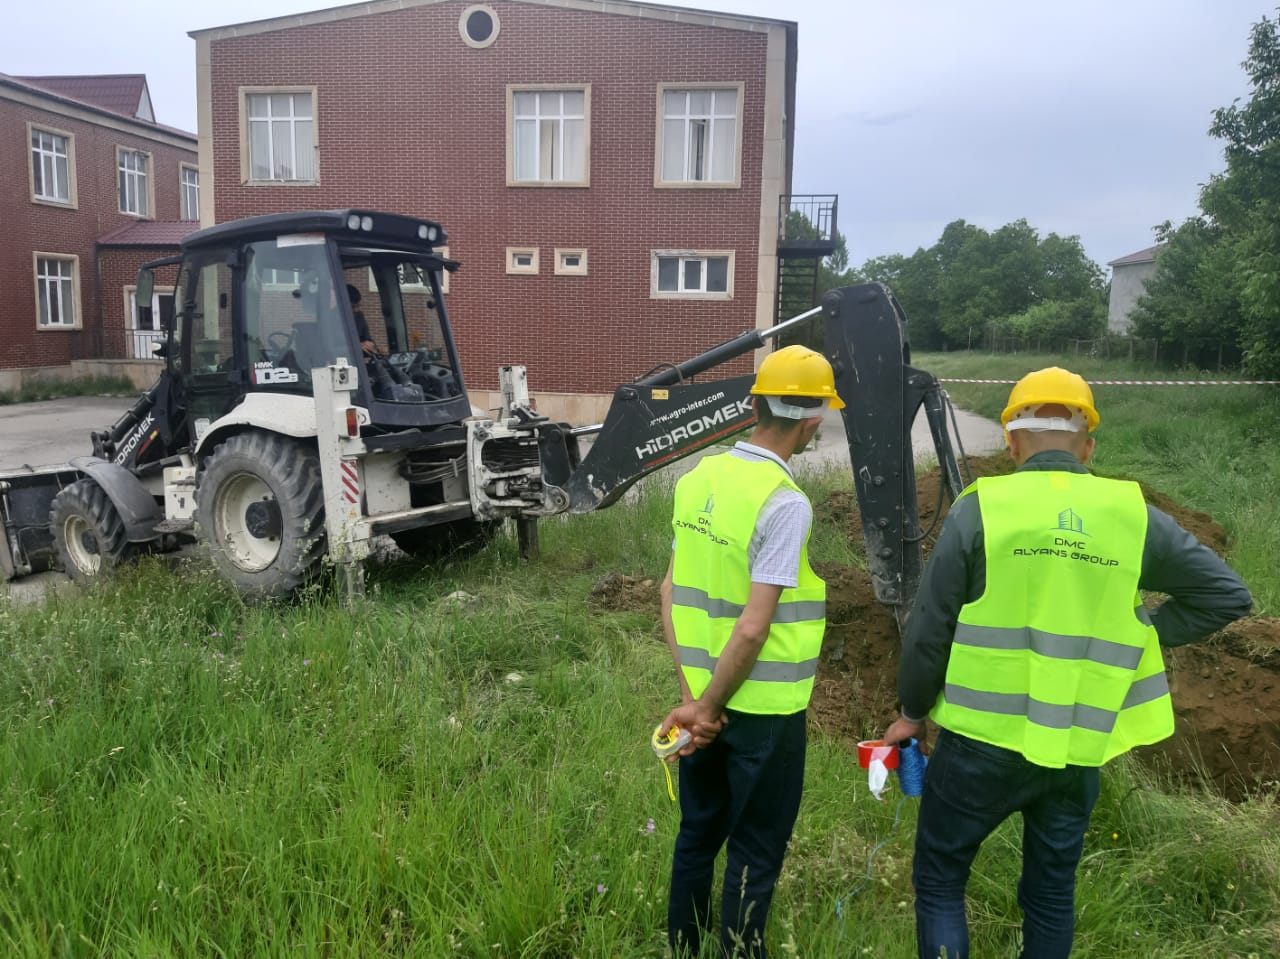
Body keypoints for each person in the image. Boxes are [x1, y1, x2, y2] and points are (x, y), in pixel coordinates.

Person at [882, 366, 1253, 959]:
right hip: (1080, 743)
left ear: (1011, 441)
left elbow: (930, 630)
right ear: (1088, 447)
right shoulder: (1131, 516)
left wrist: (912, 710)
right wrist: (1138, 632)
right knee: (1051, 894)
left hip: (981, 741)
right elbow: (1229, 596)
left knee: (942, 881)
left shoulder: (983, 509)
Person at [658, 344, 844, 958]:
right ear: (814, 421)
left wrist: (694, 702)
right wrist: (708, 707)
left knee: (696, 832)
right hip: (762, 713)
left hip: (702, 704)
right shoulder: (784, 502)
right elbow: (752, 629)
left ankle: (682, 947)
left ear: (753, 402)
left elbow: (670, 591)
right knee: (755, 849)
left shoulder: (698, 478)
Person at [346, 284, 377, 355]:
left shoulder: (359, 316)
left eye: (358, 305)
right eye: (353, 307)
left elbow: (367, 339)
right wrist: (357, 346)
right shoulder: (332, 318)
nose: (357, 309)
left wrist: (374, 348)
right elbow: (331, 347)